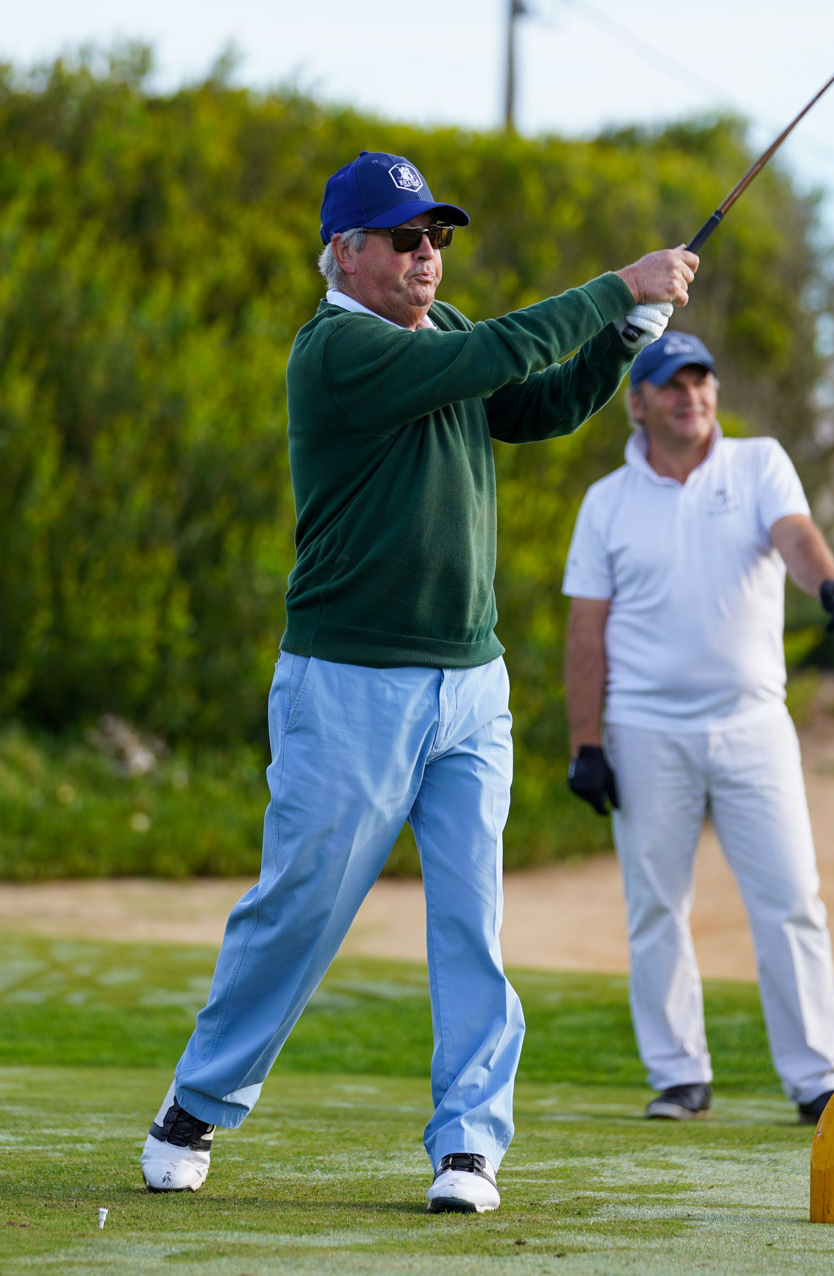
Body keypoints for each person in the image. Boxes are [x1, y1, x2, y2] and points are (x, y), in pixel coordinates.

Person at [140, 150, 697, 1214]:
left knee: (471, 922)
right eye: (405, 238)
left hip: (469, 685)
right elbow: (498, 353)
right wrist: (616, 286)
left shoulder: (442, 335)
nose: (427, 255)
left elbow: (536, 404)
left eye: (436, 237)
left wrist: (627, 337)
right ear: (345, 252)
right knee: (300, 909)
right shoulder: (335, 349)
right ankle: (198, 1100)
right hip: (348, 682)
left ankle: (469, 1144)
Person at [560, 331, 834, 1125]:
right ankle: (678, 1076)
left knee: (791, 898)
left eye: (700, 381)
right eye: (672, 384)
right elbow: (586, 632)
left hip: (753, 725)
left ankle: (816, 1077)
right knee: (656, 906)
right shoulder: (606, 503)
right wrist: (585, 745)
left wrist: (829, 585)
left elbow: (795, 538)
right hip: (644, 730)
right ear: (638, 403)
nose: (690, 395)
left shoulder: (759, 464)